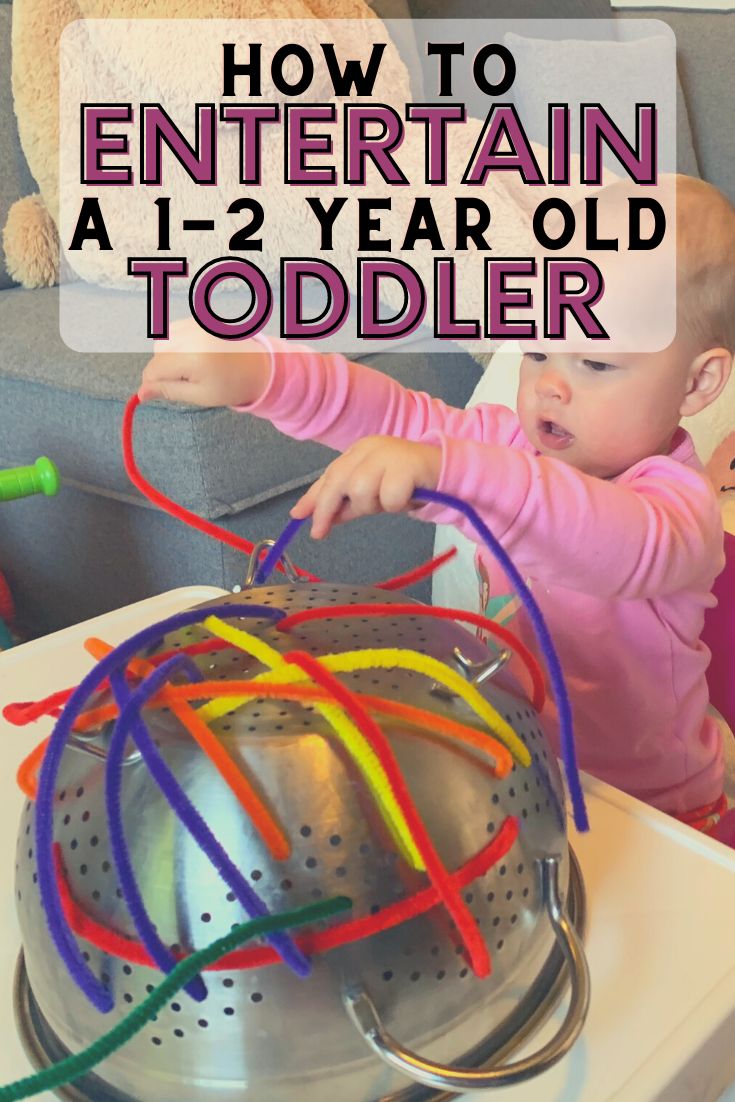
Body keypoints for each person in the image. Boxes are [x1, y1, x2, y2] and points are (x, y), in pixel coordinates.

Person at [139, 175, 735, 833]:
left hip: (660, 819)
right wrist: (268, 375)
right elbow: (394, 415)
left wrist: (453, 471)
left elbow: (608, 540)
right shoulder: (506, 444)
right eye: (536, 349)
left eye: (594, 362)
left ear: (697, 381)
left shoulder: (677, 507)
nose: (549, 387)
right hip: (516, 774)